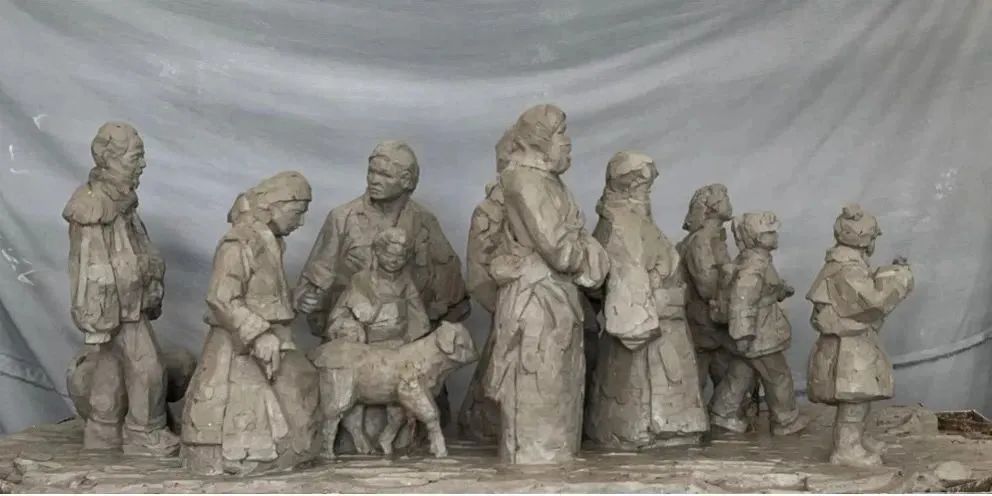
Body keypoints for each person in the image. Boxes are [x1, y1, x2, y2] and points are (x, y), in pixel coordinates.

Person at [482, 104, 609, 464]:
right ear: (539, 140)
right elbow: (560, 250)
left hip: (556, 297)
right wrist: (594, 254)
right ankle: (535, 475)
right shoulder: (525, 180)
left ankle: (550, 469)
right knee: (539, 388)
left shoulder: (546, 180)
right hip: (539, 301)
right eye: (560, 134)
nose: (567, 142)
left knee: (557, 389)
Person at [180, 171, 320, 476]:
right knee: (244, 410)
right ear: (275, 206)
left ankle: (287, 454)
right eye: (297, 212)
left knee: (302, 383)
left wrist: (294, 300)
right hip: (240, 346)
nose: (300, 223)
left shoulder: (270, 241)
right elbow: (221, 296)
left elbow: (262, 294)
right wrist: (257, 335)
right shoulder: (239, 242)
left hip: (274, 341)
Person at [63, 122, 177, 455]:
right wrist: (101, 313)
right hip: (117, 303)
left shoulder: (122, 201)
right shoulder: (92, 205)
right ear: (109, 158)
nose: (142, 164)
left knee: (111, 366)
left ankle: (104, 429)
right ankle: (144, 432)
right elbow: (92, 267)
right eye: (135, 157)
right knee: (147, 366)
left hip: (128, 300)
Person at [584, 151, 708, 449]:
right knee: (638, 395)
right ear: (629, 186)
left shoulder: (635, 221)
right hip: (647, 328)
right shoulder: (620, 224)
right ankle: (641, 431)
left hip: (665, 325)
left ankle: (659, 430)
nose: (647, 194)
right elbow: (611, 284)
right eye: (643, 186)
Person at [806, 204, 913, 467]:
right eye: (874, 237)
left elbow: (862, 291)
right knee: (853, 398)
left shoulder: (847, 265)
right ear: (866, 239)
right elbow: (872, 302)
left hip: (853, 341)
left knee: (860, 396)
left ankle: (858, 438)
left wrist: (885, 273)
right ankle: (847, 448)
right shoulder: (847, 269)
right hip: (847, 346)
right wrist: (899, 278)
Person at [313, 227, 431, 455]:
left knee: (404, 402)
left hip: (397, 352)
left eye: (400, 257)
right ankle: (354, 438)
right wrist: (350, 327)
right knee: (348, 399)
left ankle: (393, 440)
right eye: (389, 254)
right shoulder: (360, 281)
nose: (394, 261)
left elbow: (420, 320)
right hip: (364, 353)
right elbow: (339, 316)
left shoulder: (406, 283)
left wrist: (407, 343)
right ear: (376, 251)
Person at [708, 212, 809, 436]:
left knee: (741, 373)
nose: (775, 236)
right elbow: (742, 300)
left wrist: (780, 291)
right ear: (756, 237)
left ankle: (723, 414)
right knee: (778, 376)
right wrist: (743, 334)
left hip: (756, 331)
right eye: (769, 232)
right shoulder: (754, 266)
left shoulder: (755, 260)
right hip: (760, 333)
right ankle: (786, 420)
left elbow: (761, 291)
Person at [457, 127, 514, 442]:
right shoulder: (490, 211)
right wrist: (505, 305)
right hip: (510, 306)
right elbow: (478, 275)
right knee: (500, 373)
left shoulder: (548, 201)